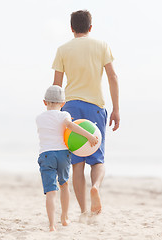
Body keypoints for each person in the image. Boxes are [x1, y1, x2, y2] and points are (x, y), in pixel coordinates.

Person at [51, 10, 120, 220]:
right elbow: (112, 77)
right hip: (95, 107)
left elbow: (56, 86)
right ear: (91, 27)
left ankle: (83, 210)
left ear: (71, 28)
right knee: (97, 160)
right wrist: (116, 109)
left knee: (77, 164)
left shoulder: (63, 49)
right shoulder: (102, 46)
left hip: (71, 107)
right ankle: (96, 187)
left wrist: (56, 114)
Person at [36, 85, 99, 231]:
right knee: (64, 186)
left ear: (45, 102)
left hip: (46, 155)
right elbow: (70, 126)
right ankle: (64, 218)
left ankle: (51, 225)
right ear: (63, 104)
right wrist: (89, 136)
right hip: (63, 154)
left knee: (51, 191)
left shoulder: (39, 118)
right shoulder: (64, 115)